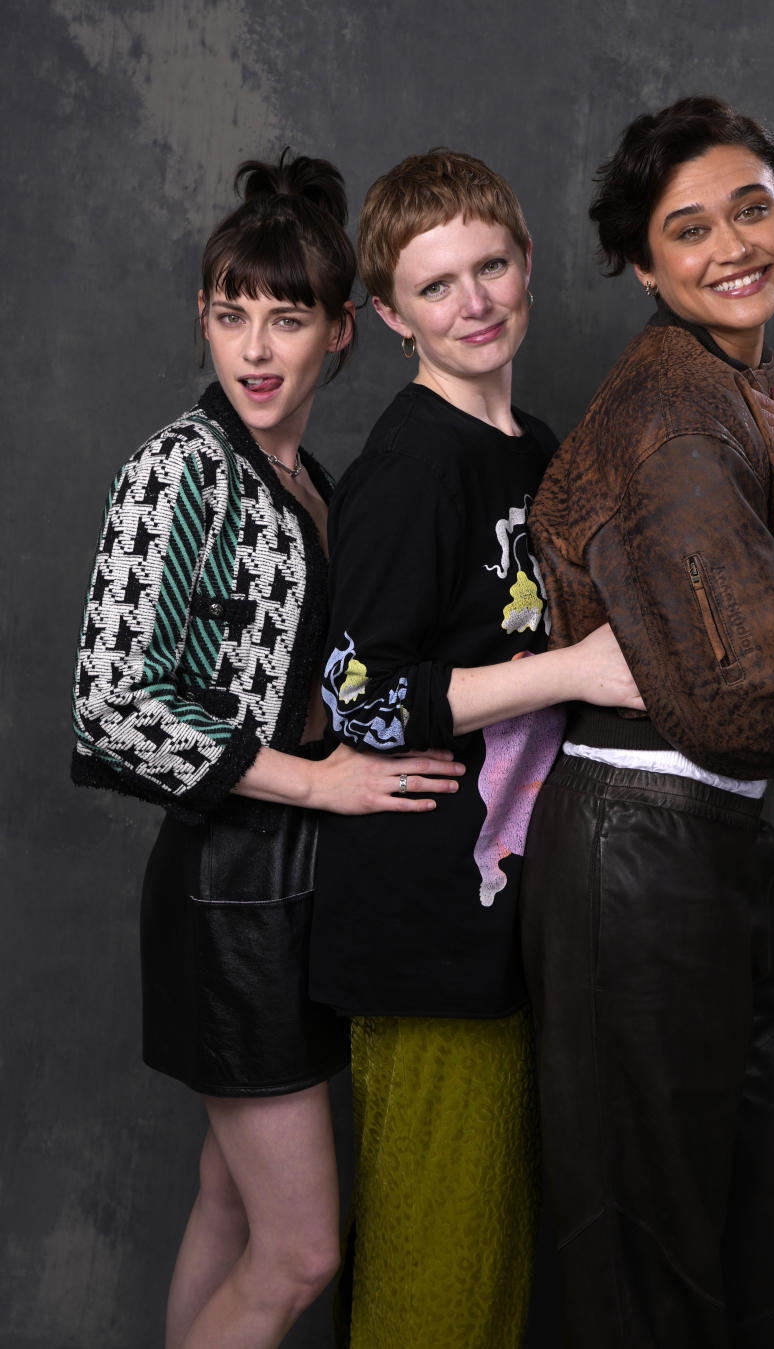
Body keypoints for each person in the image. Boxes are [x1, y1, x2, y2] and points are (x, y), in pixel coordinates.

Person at [521, 96, 774, 1349]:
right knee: (656, 1245)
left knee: (760, 1220)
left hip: (712, 842)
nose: (733, 243)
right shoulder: (675, 415)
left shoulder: (767, 384)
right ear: (645, 266)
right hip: (638, 853)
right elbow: (748, 694)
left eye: (753, 206)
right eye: (687, 228)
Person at [70, 151, 463, 1349]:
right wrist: (323, 781)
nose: (254, 346)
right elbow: (112, 700)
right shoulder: (177, 471)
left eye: (286, 317)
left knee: (230, 1195)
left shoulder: (314, 480)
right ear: (204, 313)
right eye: (231, 312)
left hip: (293, 883)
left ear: (342, 332)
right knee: (301, 1252)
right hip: (228, 889)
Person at [309, 149, 643, 1349]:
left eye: (490, 265)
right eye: (437, 286)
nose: (476, 302)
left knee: (498, 1267)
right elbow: (359, 693)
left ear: (528, 262)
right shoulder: (410, 465)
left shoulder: (533, 444)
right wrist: (575, 671)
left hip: (513, 915)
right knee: (437, 1278)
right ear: (392, 317)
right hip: (423, 929)